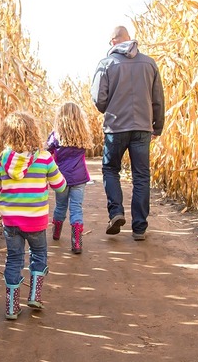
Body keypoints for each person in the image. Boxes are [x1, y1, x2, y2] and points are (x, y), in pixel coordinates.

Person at [0, 111, 67, 319]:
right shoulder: (44, 158)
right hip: (36, 220)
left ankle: (12, 308)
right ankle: (34, 295)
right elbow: (60, 186)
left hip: (11, 221)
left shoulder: (1, 160)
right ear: (33, 132)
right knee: (39, 255)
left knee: (14, 259)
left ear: (6, 134)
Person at [90, 25, 164, 241]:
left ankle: (116, 213)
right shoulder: (149, 63)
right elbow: (158, 98)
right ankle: (139, 228)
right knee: (141, 175)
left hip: (116, 127)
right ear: (130, 39)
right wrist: (157, 126)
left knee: (110, 169)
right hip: (142, 127)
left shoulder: (106, 64)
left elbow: (99, 99)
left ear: (113, 41)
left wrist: (109, 108)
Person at [46, 102, 93, 254]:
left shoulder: (55, 136)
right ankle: (77, 243)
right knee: (76, 208)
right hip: (79, 178)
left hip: (61, 178)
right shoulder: (83, 135)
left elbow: (48, 151)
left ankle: (56, 232)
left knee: (60, 206)